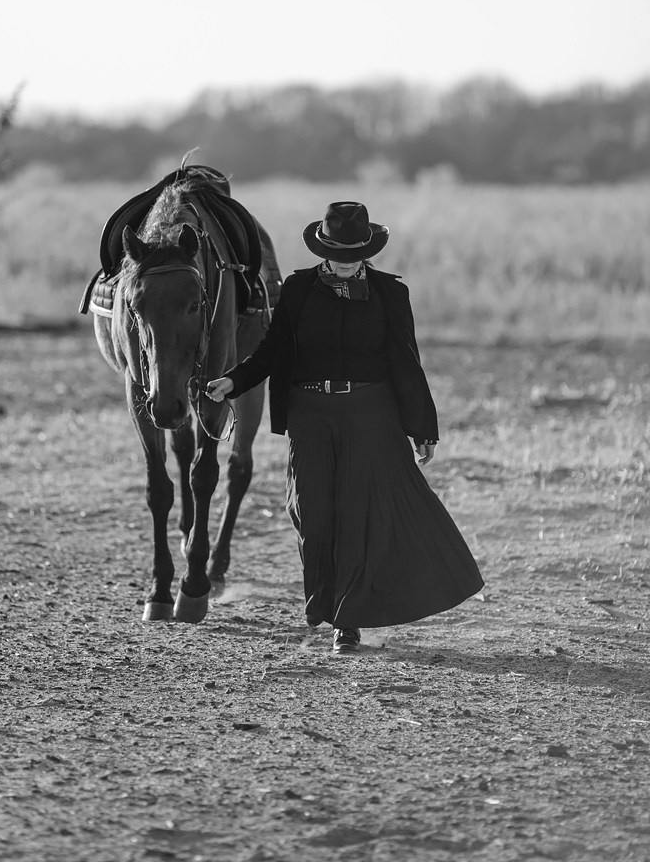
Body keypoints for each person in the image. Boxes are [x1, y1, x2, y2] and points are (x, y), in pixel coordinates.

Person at [206, 200, 484, 655]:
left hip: (370, 415)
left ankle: (346, 621)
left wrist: (422, 427)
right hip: (309, 415)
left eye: (353, 252)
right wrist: (233, 380)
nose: (345, 259)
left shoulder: (391, 294)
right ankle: (326, 601)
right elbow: (273, 350)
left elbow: (406, 362)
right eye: (337, 250)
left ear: (366, 250)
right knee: (312, 515)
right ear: (323, 248)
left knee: (356, 516)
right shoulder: (296, 289)